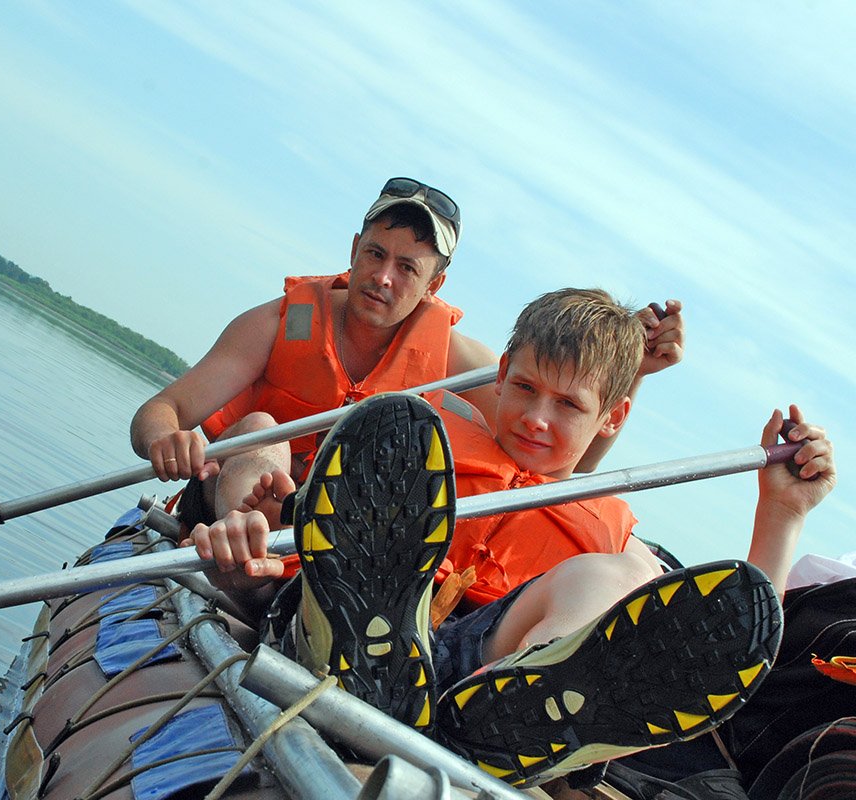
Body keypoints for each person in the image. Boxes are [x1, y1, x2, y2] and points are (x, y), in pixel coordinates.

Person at [187, 288, 836, 788]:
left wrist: (781, 517)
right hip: (347, 616)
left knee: (617, 579)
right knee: (272, 435)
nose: (536, 418)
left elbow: (717, 644)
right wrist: (251, 508)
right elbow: (263, 450)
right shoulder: (418, 450)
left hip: (473, 667)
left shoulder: (607, 523)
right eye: (524, 388)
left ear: (613, 417)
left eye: (568, 406)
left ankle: (518, 716)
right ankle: (366, 647)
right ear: (499, 373)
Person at [129, 180, 684, 528]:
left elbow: (556, 463)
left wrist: (628, 374)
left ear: (435, 284)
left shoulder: (461, 360)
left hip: (341, 534)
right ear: (354, 250)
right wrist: (167, 438)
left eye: (408, 268)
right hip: (227, 505)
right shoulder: (278, 323)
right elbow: (157, 413)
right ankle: (248, 543)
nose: (383, 277)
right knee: (262, 427)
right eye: (375, 254)